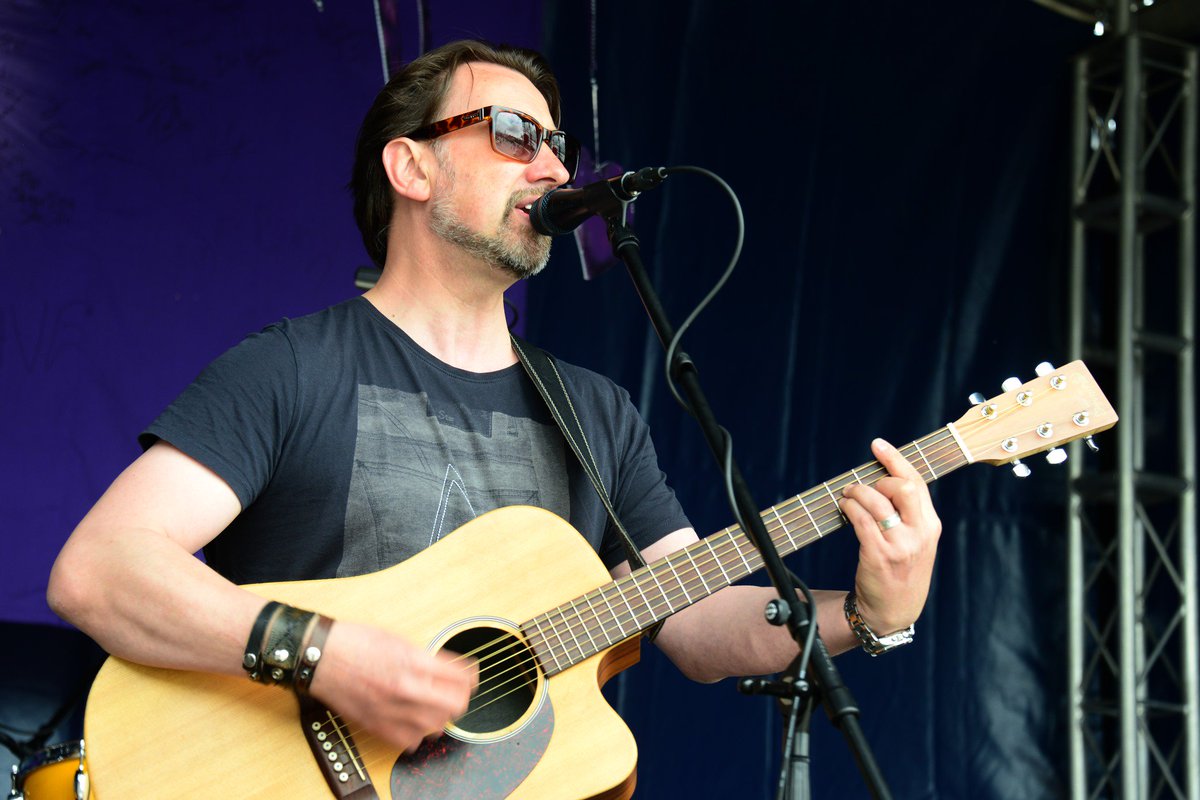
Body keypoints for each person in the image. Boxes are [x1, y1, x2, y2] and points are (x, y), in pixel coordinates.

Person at [47, 39, 941, 767]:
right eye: (516, 133)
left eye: (559, 145)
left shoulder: (594, 413)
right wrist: (324, 651)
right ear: (412, 166)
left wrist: (871, 616)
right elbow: (101, 570)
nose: (553, 167)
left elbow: (697, 623)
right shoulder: (289, 369)